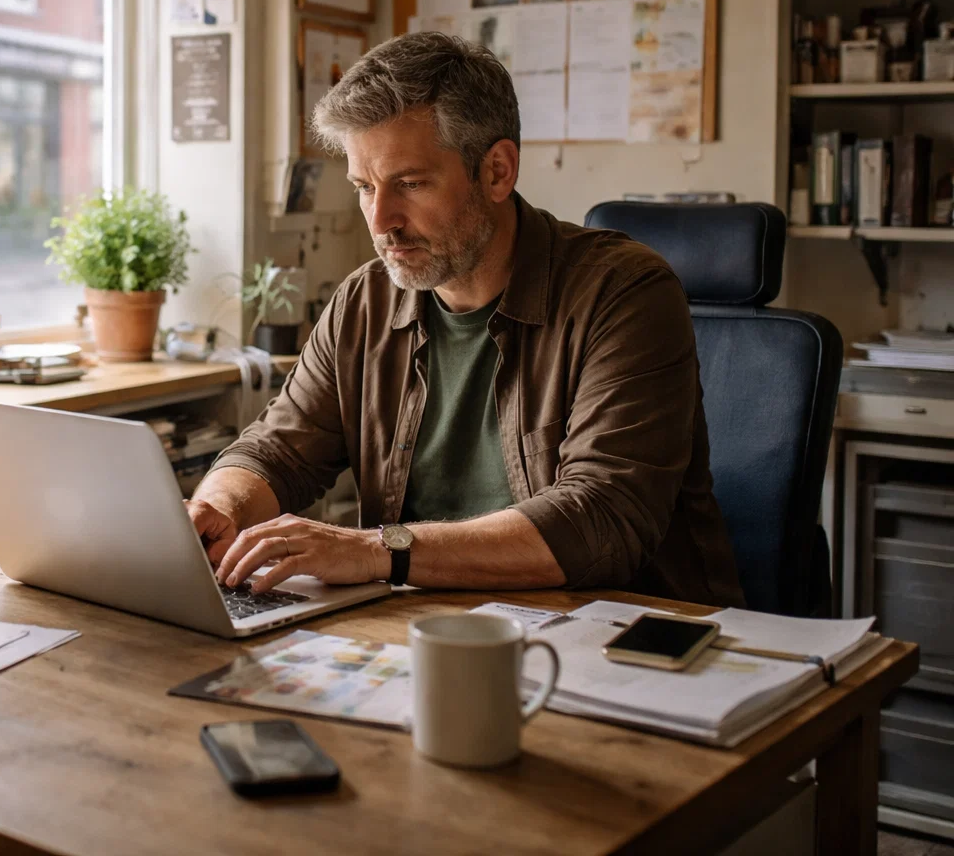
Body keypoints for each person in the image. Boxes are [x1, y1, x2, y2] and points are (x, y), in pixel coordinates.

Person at [190, 32, 743, 607]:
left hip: (621, 639)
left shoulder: (624, 292)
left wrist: (377, 550)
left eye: (410, 183)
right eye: (364, 187)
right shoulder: (365, 302)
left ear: (498, 171)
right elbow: (277, 450)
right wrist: (219, 507)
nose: (382, 221)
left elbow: (600, 520)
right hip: (426, 627)